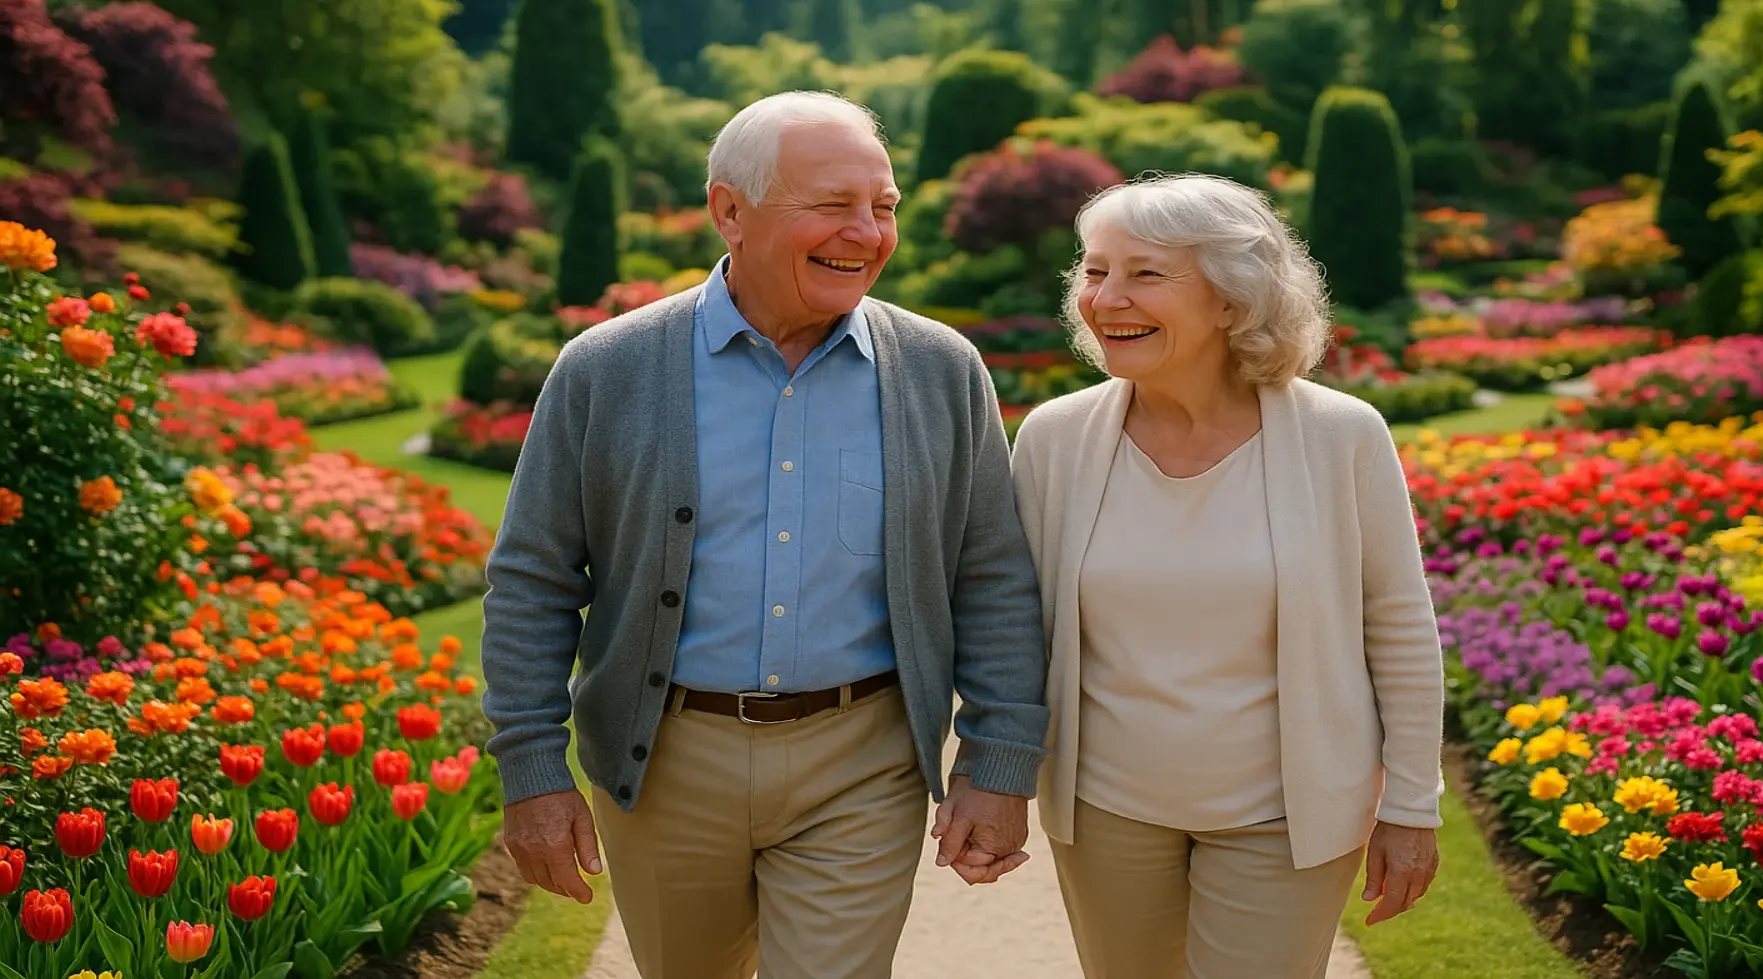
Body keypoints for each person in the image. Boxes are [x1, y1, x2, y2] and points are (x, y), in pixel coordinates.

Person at [477, 90, 1050, 979]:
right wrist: (533, 770)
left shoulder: (940, 370)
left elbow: (992, 576)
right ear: (729, 211)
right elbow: (534, 579)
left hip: (863, 761)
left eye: (884, 207)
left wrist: (999, 756)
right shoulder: (608, 368)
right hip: (664, 762)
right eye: (832, 205)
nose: (866, 232)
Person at [1008, 174, 1446, 979]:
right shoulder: (1053, 439)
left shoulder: (1341, 436)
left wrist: (1412, 802)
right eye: (1096, 270)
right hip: (1107, 812)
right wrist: (994, 773)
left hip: (1285, 815)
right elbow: (1012, 626)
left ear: (1232, 300)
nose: (1106, 298)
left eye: (1145, 273)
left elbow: (1398, 624)